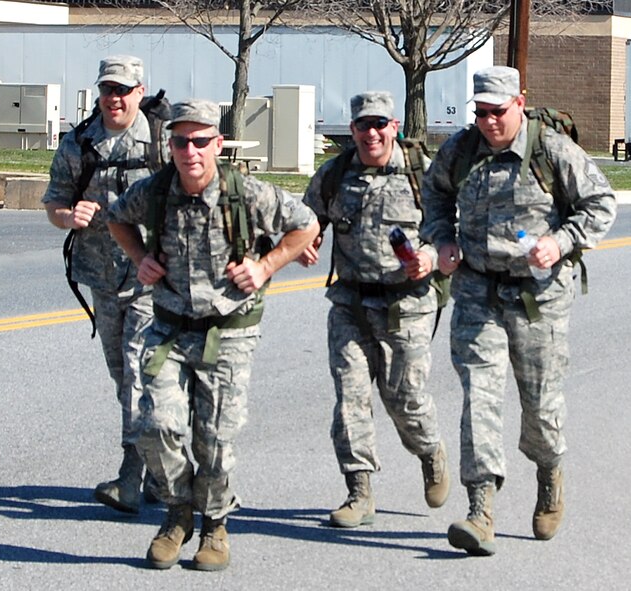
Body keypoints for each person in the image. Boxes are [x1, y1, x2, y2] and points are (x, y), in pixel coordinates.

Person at [107, 99, 319, 571]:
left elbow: (306, 225)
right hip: (170, 328)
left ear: (217, 144)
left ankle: (215, 526)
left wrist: (265, 266)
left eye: (201, 140)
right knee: (155, 425)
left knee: (216, 440)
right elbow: (116, 217)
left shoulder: (247, 194)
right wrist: (140, 257)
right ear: (171, 145)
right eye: (181, 141)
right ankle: (178, 512)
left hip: (229, 332)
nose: (191, 151)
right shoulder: (156, 192)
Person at [420, 66, 617, 556]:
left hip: (539, 296)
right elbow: (434, 197)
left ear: (520, 103)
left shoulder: (550, 150)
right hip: (477, 291)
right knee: (479, 397)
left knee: (540, 403)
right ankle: (480, 508)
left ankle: (550, 475)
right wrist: (442, 240)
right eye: (481, 112)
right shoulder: (460, 151)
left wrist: (560, 241)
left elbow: (599, 203)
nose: (488, 122)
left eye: (498, 112)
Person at [298, 91, 449, 529]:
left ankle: (430, 450)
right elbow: (306, 222)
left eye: (380, 124)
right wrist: (305, 242)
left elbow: (453, 230)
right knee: (350, 399)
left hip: (408, 304)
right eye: (364, 125)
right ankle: (359, 491)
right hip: (349, 302)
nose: (372, 133)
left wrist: (431, 255)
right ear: (353, 130)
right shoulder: (334, 176)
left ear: (395, 127)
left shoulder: (424, 175)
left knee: (406, 398)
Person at [42, 55, 165, 514]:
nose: (115, 99)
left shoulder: (160, 141)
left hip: (152, 277)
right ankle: (160, 470)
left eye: (124, 90)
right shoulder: (79, 144)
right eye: (108, 90)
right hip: (102, 276)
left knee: (138, 371)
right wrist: (68, 216)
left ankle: (132, 477)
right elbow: (54, 204)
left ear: (140, 91)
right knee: (123, 377)